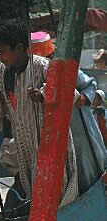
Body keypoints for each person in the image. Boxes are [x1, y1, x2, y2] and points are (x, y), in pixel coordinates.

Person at [0, 19, 78, 214]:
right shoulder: (4, 72)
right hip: (25, 145)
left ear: (19, 48)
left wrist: (44, 95)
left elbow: (70, 92)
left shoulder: (43, 67)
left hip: (50, 145)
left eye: (2, 51)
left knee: (57, 193)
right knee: (32, 192)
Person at [32, 31, 107, 194]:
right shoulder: (30, 78)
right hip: (58, 136)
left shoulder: (66, 69)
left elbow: (90, 85)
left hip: (81, 129)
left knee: (91, 167)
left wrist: (83, 97)